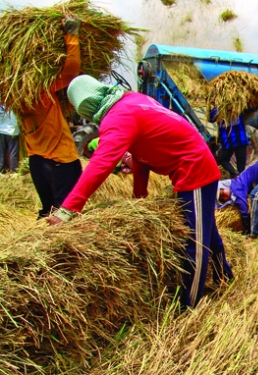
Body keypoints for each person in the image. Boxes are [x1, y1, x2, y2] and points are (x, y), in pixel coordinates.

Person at [46, 75, 233, 309]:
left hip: (193, 171)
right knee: (207, 231)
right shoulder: (132, 101)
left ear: (84, 106)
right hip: (195, 164)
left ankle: (190, 304)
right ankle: (225, 278)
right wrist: (139, 197)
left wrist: (68, 209)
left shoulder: (118, 117)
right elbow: (140, 156)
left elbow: (101, 164)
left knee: (195, 241)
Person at [19, 17, 82, 219]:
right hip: (60, 161)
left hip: (36, 163)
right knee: (64, 217)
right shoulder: (42, 92)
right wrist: (71, 33)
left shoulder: (13, 95)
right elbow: (71, 70)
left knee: (48, 212)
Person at [211, 108, 255, 178]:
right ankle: (239, 178)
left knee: (223, 160)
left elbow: (211, 119)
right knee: (241, 167)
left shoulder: (217, 109)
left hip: (228, 142)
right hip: (241, 140)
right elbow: (250, 109)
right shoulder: (238, 105)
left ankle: (234, 173)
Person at [0, 105, 20, 172]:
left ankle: (1, 170)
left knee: (1, 152)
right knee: (13, 152)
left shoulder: (1, 104)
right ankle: (13, 170)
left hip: (1, 130)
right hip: (12, 131)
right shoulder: (14, 103)